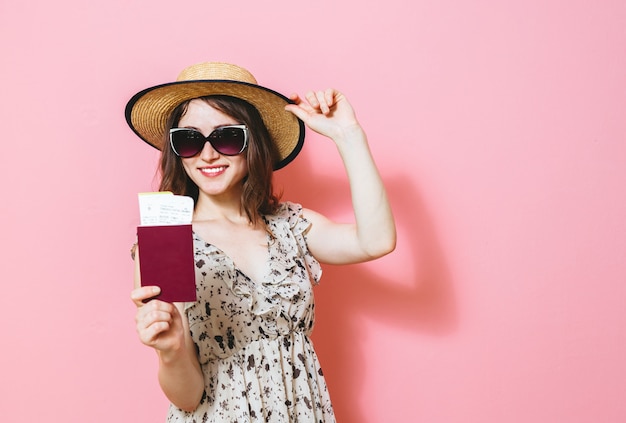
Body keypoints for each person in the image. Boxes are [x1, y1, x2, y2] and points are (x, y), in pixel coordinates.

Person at [125, 62, 396, 422]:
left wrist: (348, 135)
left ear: (253, 141)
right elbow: (188, 398)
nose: (207, 155)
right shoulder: (164, 243)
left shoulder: (290, 226)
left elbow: (376, 241)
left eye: (226, 137)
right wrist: (171, 349)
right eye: (189, 139)